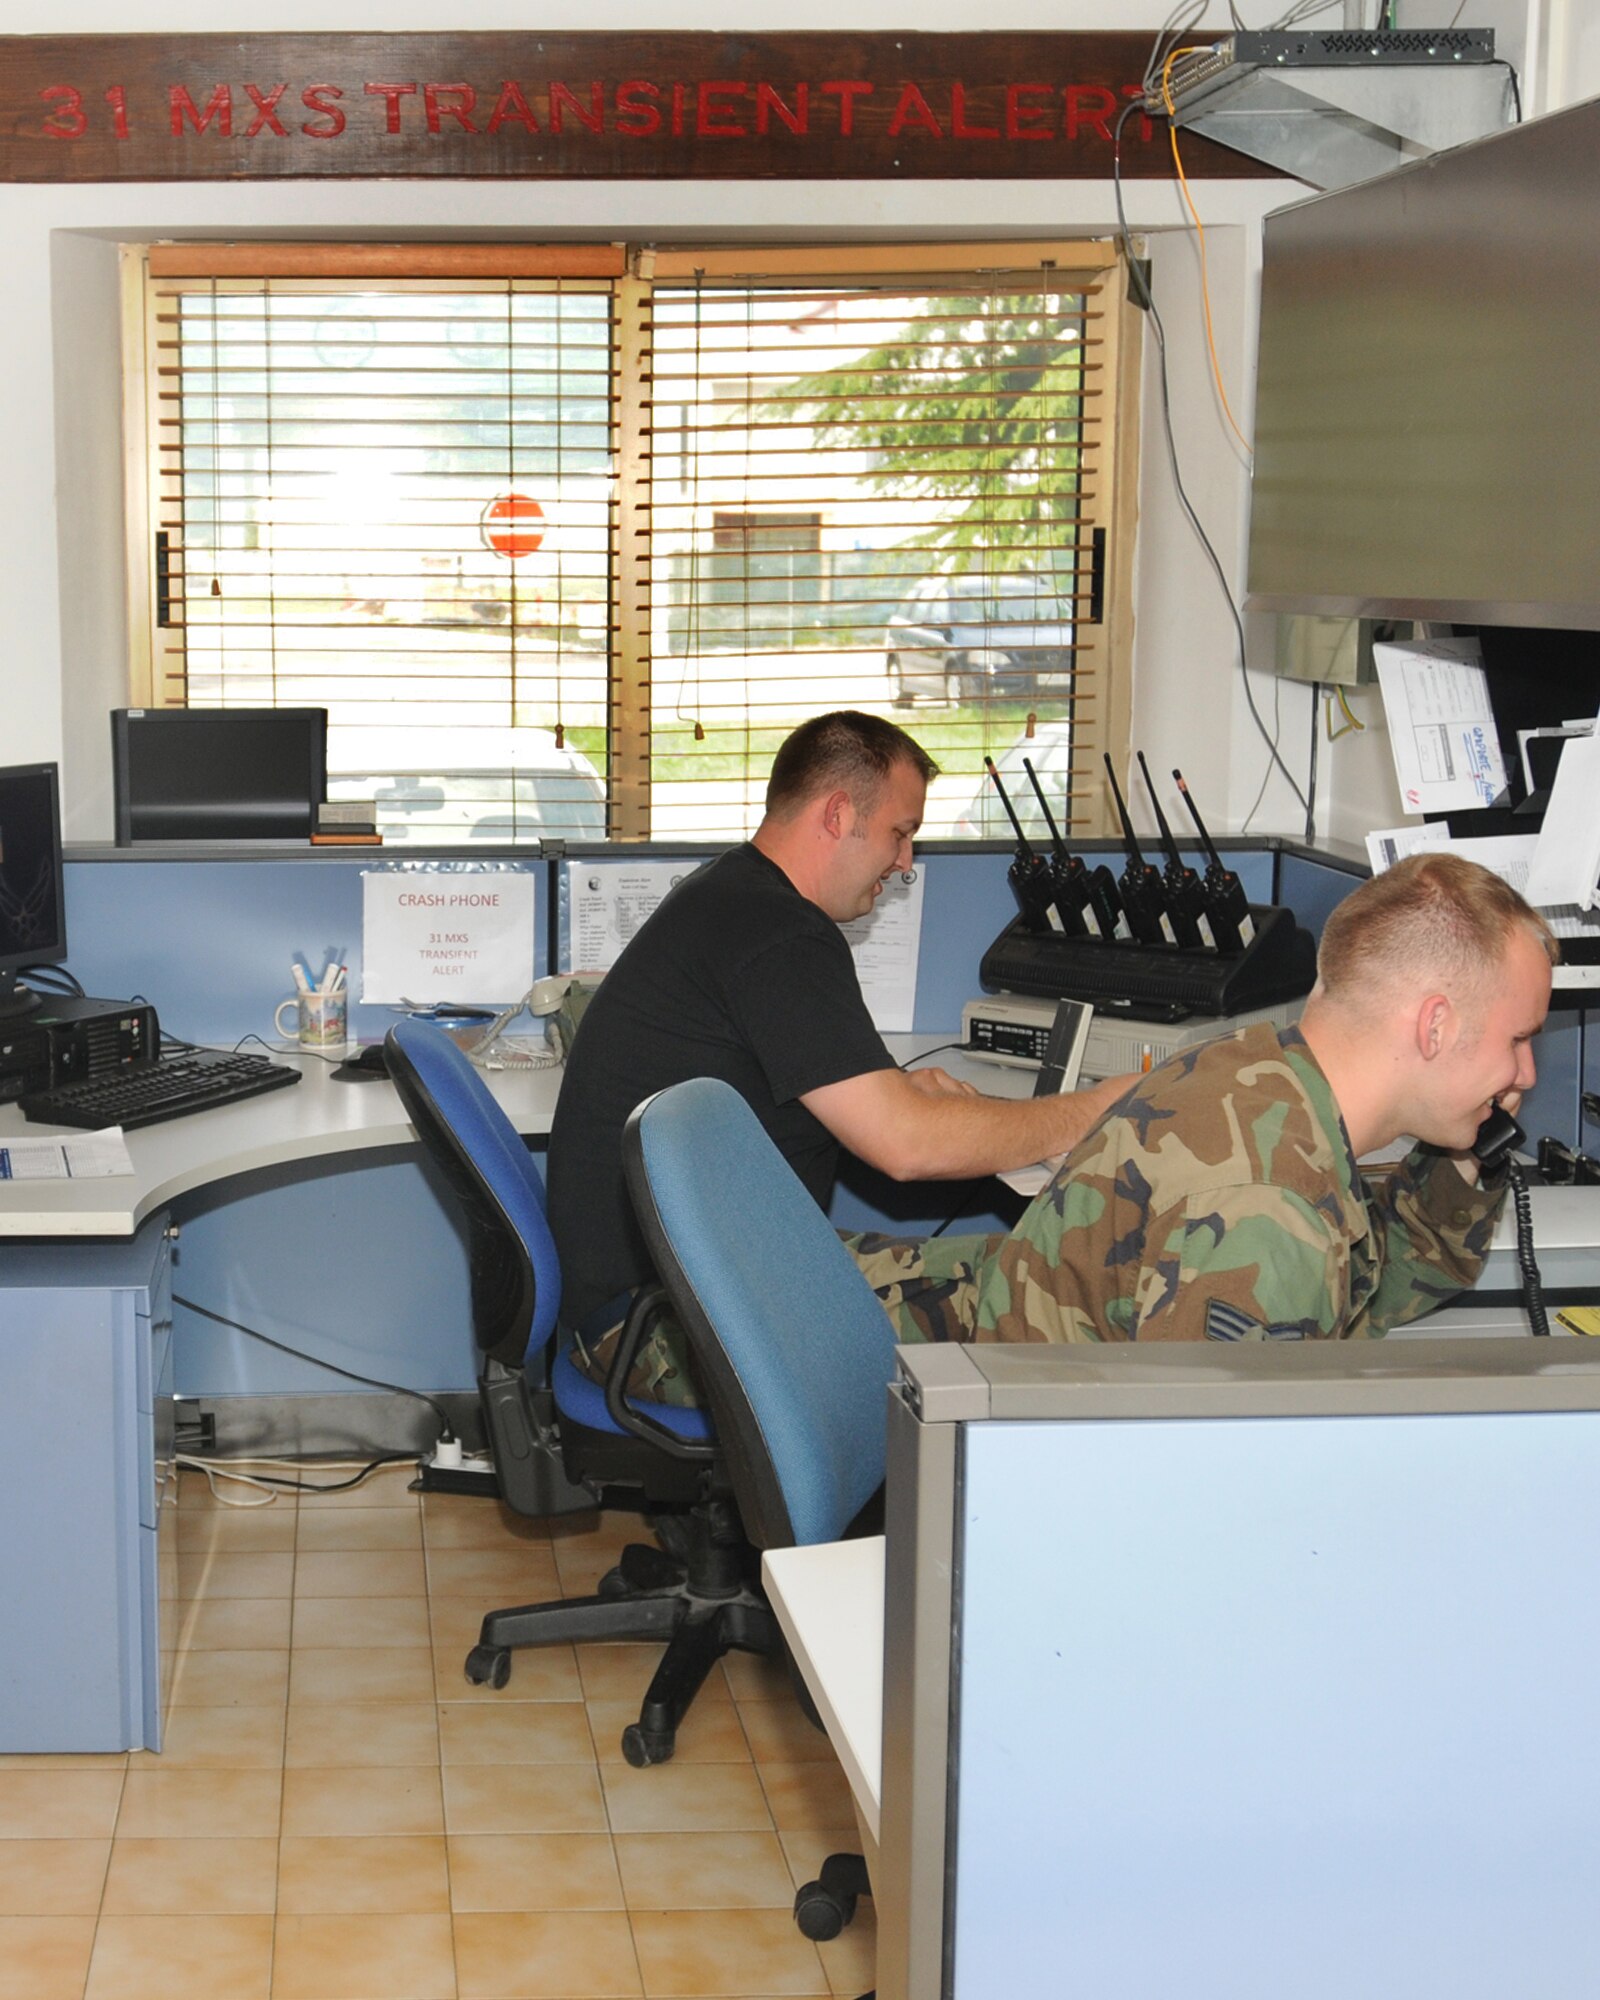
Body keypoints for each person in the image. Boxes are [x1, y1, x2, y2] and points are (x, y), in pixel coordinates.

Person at [546, 709, 1130, 1398]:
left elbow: (820, 1091)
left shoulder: (733, 896)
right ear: (837, 815)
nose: (906, 863)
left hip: (678, 1291)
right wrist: (1092, 1110)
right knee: (1060, 1288)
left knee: (1022, 1263)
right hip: (672, 1326)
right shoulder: (779, 934)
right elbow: (906, 1146)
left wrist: (899, 1094)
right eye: (900, 833)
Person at [871, 851, 1556, 1347]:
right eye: (1519, 1038)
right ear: (1434, 1026)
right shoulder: (1264, 1204)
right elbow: (1212, 1485)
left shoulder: (1254, 1072)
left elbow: (1368, 1288)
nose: (1526, 1073)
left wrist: (1470, 1160)